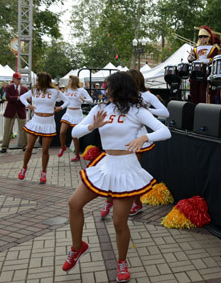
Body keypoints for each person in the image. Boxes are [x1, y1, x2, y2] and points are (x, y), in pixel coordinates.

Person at [63, 71, 171, 282]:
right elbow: (75, 133)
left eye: (108, 87)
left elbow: (165, 131)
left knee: (119, 222)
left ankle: (122, 261)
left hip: (127, 169)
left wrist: (145, 137)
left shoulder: (137, 110)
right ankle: (77, 247)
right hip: (105, 165)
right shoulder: (100, 108)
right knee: (74, 203)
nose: (105, 90)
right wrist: (93, 126)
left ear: (118, 88)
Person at [100, 69, 170, 218]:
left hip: (137, 138)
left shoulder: (147, 96)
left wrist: (145, 110)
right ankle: (109, 199)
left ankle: (133, 202)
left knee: (130, 173)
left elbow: (165, 112)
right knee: (112, 170)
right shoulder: (117, 99)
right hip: (121, 136)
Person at [19, 72, 68, 184]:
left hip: (48, 123)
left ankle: (43, 172)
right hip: (36, 121)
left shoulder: (55, 91)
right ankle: (24, 167)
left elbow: (67, 101)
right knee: (29, 147)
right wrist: (29, 106)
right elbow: (22, 97)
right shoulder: (35, 90)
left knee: (45, 149)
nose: (36, 82)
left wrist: (60, 108)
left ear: (43, 81)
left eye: (37, 80)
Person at [58, 75, 93, 162]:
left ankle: (76, 154)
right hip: (68, 113)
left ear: (73, 81)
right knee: (62, 132)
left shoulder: (81, 90)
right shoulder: (67, 90)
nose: (68, 82)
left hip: (77, 113)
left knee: (75, 136)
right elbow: (59, 99)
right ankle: (63, 147)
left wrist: (84, 100)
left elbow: (91, 100)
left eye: (69, 81)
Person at [187, 25, 220, 104]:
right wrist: (191, 56)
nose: (202, 38)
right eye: (201, 37)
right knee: (194, 93)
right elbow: (190, 60)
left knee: (204, 94)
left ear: (208, 37)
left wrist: (204, 61)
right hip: (195, 73)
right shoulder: (195, 48)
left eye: (205, 36)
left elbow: (213, 59)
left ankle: (205, 112)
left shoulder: (213, 48)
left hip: (206, 73)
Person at [1, 72, 29, 153]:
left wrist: (23, 99)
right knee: (7, 129)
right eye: (17, 79)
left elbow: (28, 99)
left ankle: (25, 146)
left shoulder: (24, 88)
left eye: (20, 79)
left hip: (21, 110)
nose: (19, 80)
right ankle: (4, 146)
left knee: (23, 129)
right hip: (11, 110)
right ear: (13, 79)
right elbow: (8, 97)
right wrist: (18, 98)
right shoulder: (9, 88)